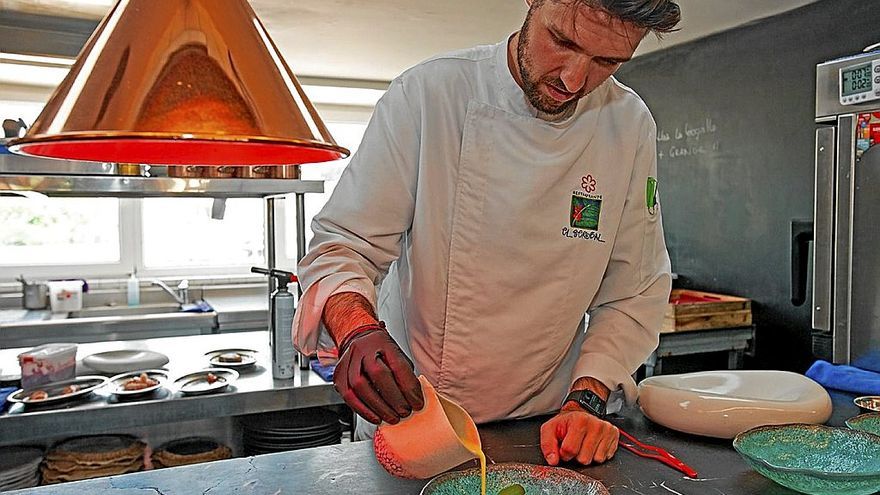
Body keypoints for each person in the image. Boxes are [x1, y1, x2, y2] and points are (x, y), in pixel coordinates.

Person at [293, 0, 680, 467]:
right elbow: (342, 246)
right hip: (414, 419)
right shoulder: (429, 95)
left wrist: (588, 399)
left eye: (606, 62)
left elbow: (634, 292)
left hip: (547, 430)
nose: (573, 80)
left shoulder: (628, 125)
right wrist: (356, 331)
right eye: (563, 41)